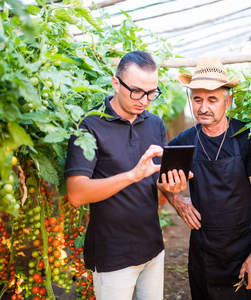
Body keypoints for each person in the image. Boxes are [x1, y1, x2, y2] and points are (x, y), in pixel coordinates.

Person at [64, 50, 188, 300]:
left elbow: (156, 176)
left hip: (153, 247)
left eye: (152, 92)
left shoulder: (155, 124)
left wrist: (173, 190)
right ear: (115, 83)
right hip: (113, 255)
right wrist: (132, 175)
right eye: (137, 91)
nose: (144, 100)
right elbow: (76, 194)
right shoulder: (89, 125)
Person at [165, 58, 251, 299]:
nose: (203, 107)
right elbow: (159, 176)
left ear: (228, 101)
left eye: (212, 99)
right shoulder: (183, 142)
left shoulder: (247, 138)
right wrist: (176, 199)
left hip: (246, 247)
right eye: (197, 99)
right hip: (205, 253)